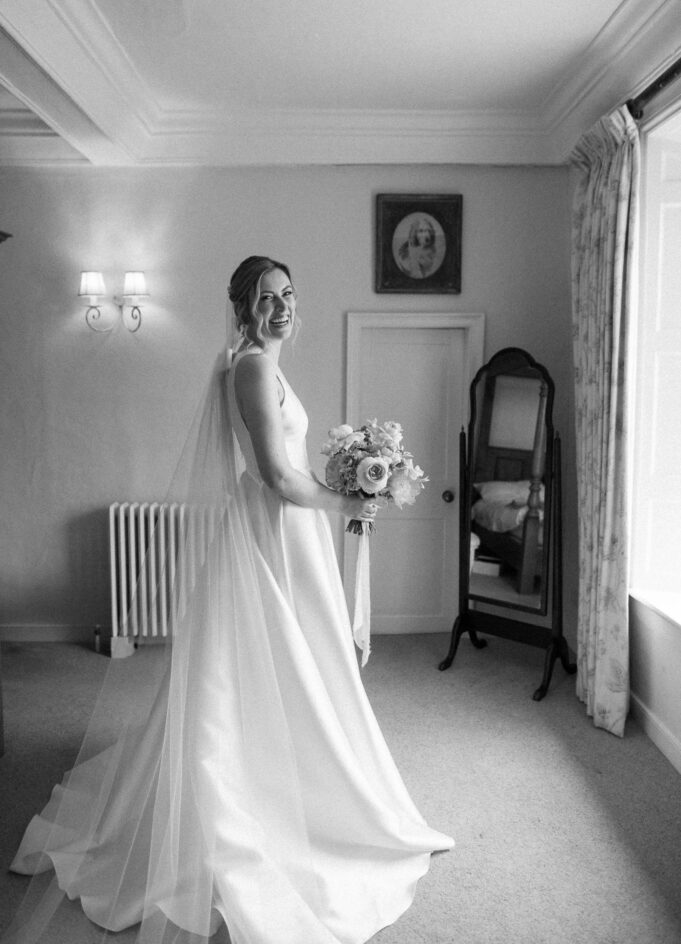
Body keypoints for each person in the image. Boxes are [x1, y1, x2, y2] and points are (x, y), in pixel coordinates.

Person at [4, 255, 453, 944]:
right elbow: (275, 475)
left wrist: (343, 482)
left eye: (288, 295)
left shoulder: (258, 363)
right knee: (277, 666)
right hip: (271, 531)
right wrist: (350, 499)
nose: (280, 307)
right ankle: (268, 807)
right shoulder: (251, 366)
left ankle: (307, 784)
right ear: (241, 306)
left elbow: (288, 463)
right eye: (265, 297)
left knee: (297, 662)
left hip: (287, 531)